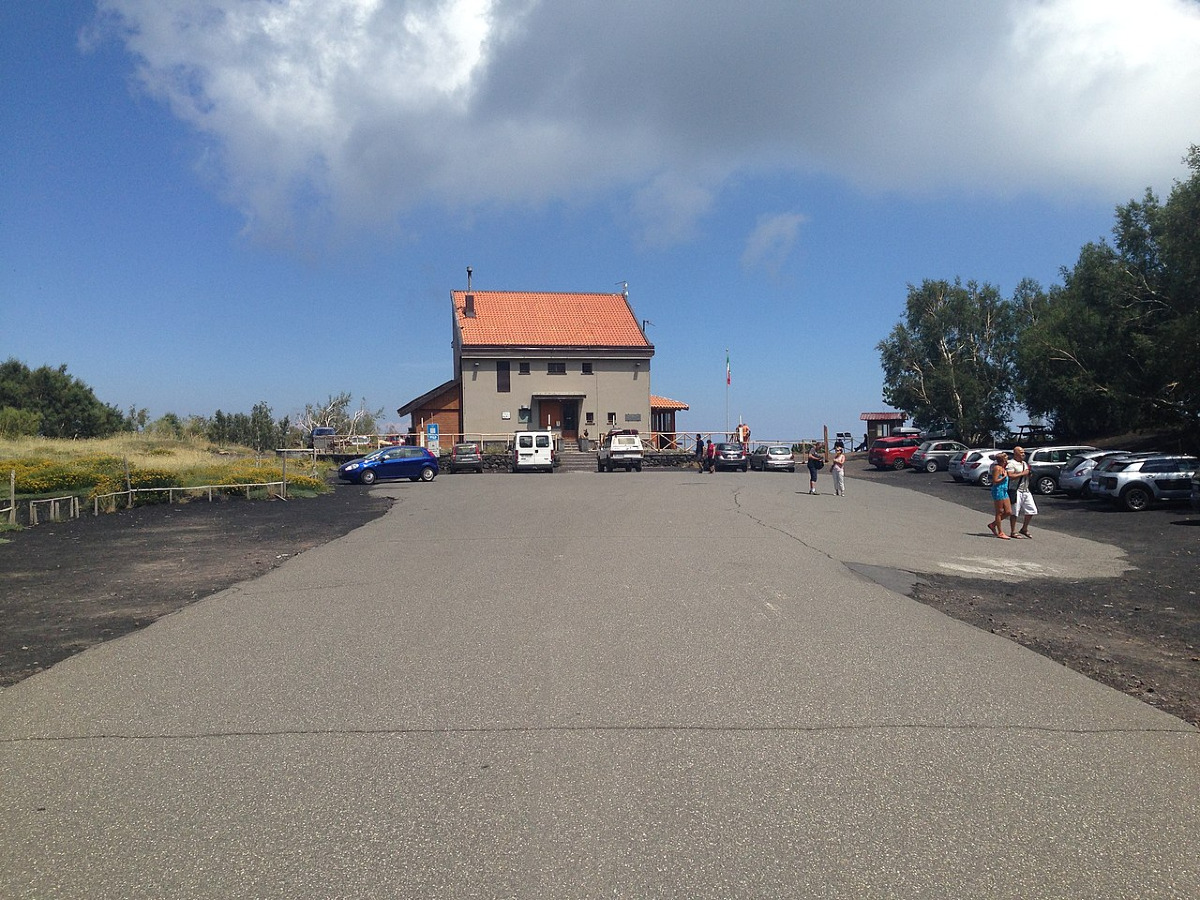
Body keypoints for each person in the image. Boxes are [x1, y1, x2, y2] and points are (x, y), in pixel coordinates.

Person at [1007, 446, 1037, 538]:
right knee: (1015, 512)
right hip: (1016, 490)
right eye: (1021, 452)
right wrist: (1022, 473)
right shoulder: (1011, 463)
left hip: (1026, 490)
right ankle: (1013, 531)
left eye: (1023, 452)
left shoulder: (1024, 463)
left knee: (1032, 510)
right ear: (1015, 454)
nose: (1023, 454)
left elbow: (1027, 473)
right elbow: (1010, 476)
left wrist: (1029, 474)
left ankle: (1024, 528)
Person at [987, 452, 1012, 539]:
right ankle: (1000, 532)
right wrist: (1004, 477)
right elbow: (995, 481)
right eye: (1006, 458)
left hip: (1004, 490)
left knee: (1008, 512)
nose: (1007, 460)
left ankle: (993, 524)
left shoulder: (1003, 468)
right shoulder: (997, 468)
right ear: (1002, 460)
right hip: (998, 490)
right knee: (999, 511)